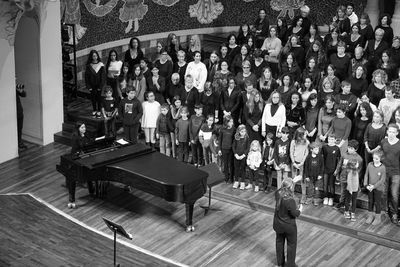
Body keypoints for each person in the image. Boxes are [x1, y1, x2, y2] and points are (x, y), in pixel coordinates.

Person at [273, 177, 303, 267]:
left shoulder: (277, 193)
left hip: (278, 224)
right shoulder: (290, 200)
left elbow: (285, 186)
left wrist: (292, 181)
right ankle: (290, 265)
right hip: (289, 227)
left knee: (279, 242)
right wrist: (300, 209)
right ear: (291, 187)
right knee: (291, 245)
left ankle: (280, 263)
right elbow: (295, 214)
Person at [69, 121, 96, 208]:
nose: (84, 129)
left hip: (85, 157)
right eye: (82, 127)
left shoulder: (86, 135)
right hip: (76, 159)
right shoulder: (75, 137)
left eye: (84, 127)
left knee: (90, 171)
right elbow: (78, 148)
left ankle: (91, 190)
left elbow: (90, 144)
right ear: (78, 128)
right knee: (74, 177)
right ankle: (72, 199)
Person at [334, 140, 363, 211]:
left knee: (350, 192)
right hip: (343, 177)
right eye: (348, 147)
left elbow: (358, 170)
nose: (349, 149)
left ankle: (347, 204)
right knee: (343, 191)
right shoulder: (344, 155)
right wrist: (337, 171)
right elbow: (340, 164)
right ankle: (341, 203)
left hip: (351, 179)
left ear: (356, 149)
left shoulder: (359, 159)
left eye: (351, 148)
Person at [381, 123, 400, 225]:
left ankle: (394, 214)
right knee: (383, 192)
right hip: (384, 171)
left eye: (393, 132)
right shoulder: (383, 141)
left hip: (396, 172)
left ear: (397, 133)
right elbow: (380, 154)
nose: (391, 133)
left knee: (394, 194)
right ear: (387, 131)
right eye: (390, 131)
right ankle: (383, 211)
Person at [364, 150, 386, 225]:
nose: (374, 160)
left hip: (378, 188)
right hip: (370, 187)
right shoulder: (370, 165)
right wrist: (366, 185)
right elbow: (366, 175)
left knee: (377, 203)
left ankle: (377, 218)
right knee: (370, 201)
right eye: (373, 158)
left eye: (376, 159)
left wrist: (374, 186)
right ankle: (370, 216)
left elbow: (382, 180)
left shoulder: (382, 168)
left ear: (381, 158)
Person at [290, 127, 310, 204]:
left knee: (302, 180)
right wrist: (293, 162)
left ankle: (303, 196)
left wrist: (302, 162)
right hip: (294, 162)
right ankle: (291, 193)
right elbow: (291, 152)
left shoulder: (306, 142)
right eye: (304, 134)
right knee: (293, 179)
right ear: (300, 135)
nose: (306, 135)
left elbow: (306, 153)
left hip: (302, 163)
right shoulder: (293, 142)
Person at [85, 50, 106, 118]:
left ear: (97, 56)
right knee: (93, 98)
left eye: (96, 55)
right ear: (91, 57)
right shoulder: (89, 66)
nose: (95, 57)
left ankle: (99, 110)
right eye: (93, 56)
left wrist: (101, 85)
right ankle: (94, 109)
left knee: (99, 98)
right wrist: (88, 86)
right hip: (92, 85)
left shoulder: (101, 65)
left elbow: (103, 76)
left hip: (99, 85)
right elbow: (86, 77)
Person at [322, 134, 341, 206]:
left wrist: (337, 170)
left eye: (332, 139)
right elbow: (322, 158)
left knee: (331, 185)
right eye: (329, 139)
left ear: (335, 140)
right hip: (325, 169)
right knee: (325, 184)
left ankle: (331, 198)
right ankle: (325, 197)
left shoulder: (337, 149)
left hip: (333, 170)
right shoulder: (324, 147)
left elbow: (339, 160)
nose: (330, 141)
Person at [303, 142, 324, 206]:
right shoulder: (308, 157)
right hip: (310, 177)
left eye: (318, 149)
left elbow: (322, 167)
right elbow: (306, 167)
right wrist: (306, 176)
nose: (317, 151)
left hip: (318, 177)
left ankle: (316, 200)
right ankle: (309, 199)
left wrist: (320, 175)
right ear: (311, 150)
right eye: (316, 149)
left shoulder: (320, 157)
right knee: (310, 188)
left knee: (316, 188)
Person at [232, 124, 250, 190]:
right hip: (236, 156)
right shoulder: (236, 138)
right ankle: (236, 181)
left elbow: (248, 147)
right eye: (242, 131)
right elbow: (233, 146)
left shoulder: (247, 138)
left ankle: (242, 182)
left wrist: (243, 155)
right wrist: (235, 154)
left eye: (244, 131)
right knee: (236, 169)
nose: (243, 133)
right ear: (239, 131)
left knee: (243, 169)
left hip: (243, 157)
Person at [219, 115, 235, 183]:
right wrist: (219, 149)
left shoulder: (234, 129)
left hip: (231, 149)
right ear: (226, 122)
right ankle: (226, 177)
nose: (232, 123)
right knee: (225, 164)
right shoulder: (222, 129)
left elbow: (235, 140)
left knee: (231, 164)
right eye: (230, 121)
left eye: (232, 121)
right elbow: (220, 139)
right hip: (224, 148)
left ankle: (231, 178)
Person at [16, 82, 27, 149]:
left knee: (20, 128)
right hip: (12, 113)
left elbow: (24, 95)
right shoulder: (8, 88)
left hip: (19, 112)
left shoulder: (15, 88)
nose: (15, 79)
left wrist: (21, 91)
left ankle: (19, 142)